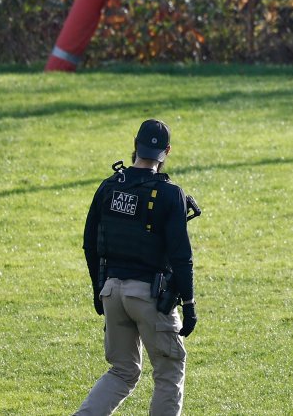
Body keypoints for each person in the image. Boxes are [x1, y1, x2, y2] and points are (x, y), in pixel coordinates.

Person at [75, 119, 197, 416]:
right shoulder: (170, 194)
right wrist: (190, 303)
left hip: (112, 292)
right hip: (149, 297)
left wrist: (98, 290)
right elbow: (182, 256)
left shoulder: (108, 187)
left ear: (135, 145)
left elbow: (90, 244)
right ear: (166, 151)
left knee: (122, 371)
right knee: (168, 372)